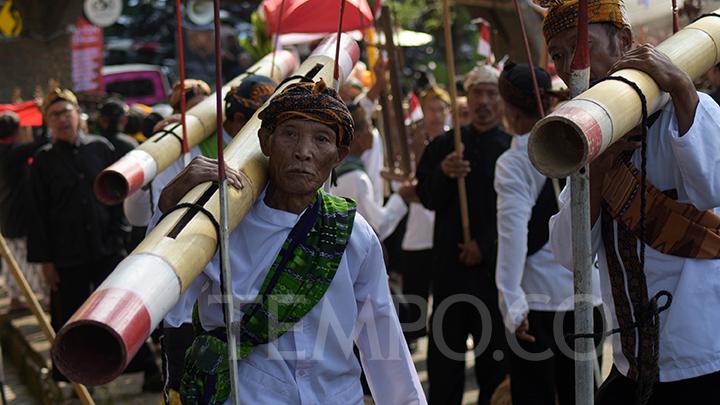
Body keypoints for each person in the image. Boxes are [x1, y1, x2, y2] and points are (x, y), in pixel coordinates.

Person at [156, 79, 426, 404]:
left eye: (322, 138)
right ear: (265, 140)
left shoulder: (352, 233)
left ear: (340, 154)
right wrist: (173, 207)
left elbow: (384, 341)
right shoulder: (219, 223)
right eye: (290, 134)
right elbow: (163, 296)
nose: (303, 151)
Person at [542, 1, 720, 403]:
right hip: (630, 364)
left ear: (624, 42)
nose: (573, 65)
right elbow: (569, 255)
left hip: (703, 361)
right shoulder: (586, 140)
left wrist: (681, 87)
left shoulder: (687, 109)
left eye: (581, 47)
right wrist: (600, 166)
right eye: (558, 54)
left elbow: (714, 187)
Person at [27, 89, 161, 389]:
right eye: (55, 115)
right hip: (66, 252)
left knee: (121, 309)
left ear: (78, 115)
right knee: (67, 313)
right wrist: (46, 261)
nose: (63, 119)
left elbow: (120, 195)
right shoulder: (44, 161)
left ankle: (147, 371)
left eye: (67, 112)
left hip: (107, 245)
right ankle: (69, 379)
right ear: (48, 122)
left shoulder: (101, 148)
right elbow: (37, 213)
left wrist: (121, 237)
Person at [493, 62, 604, 405]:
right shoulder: (583, 139)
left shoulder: (513, 162)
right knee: (582, 395)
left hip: (536, 305)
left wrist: (510, 300)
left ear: (509, 108)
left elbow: (513, 236)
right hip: (589, 297)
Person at [416, 64, 511, 405]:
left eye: (491, 93)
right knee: (445, 365)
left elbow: (521, 217)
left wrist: (484, 247)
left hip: (492, 276)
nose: (484, 101)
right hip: (449, 272)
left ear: (501, 98)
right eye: (478, 93)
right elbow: (425, 196)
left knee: (494, 365)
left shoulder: (512, 149)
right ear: (467, 98)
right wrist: (443, 173)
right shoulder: (445, 145)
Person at [401, 85, 450, 346]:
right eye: (431, 109)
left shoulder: (453, 142)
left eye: (441, 109)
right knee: (416, 285)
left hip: (442, 225)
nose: (436, 114)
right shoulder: (413, 141)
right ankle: (413, 334)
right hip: (418, 225)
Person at [332, 103, 412, 241]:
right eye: (369, 127)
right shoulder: (357, 178)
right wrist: (400, 197)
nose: (372, 133)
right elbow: (375, 227)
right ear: (357, 137)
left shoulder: (340, 167)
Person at [0, 111, 47, 313]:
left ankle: (15, 298)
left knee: (10, 259)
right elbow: (43, 140)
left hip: (5, 214)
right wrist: (43, 115)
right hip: (20, 214)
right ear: (17, 130)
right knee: (32, 260)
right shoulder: (14, 152)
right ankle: (45, 299)